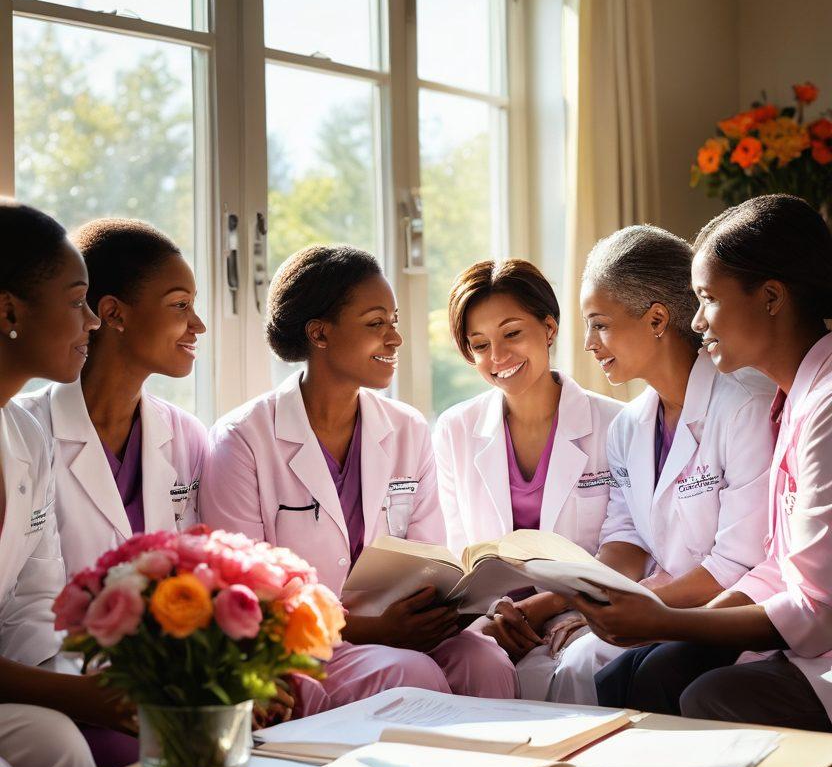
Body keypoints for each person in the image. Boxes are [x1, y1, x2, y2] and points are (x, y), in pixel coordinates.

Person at [201, 244, 518, 712]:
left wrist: (446, 606)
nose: (395, 339)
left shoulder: (406, 428)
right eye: (376, 324)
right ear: (320, 333)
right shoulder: (243, 439)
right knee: (412, 673)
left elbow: (430, 559)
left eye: (393, 321)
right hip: (301, 649)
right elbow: (246, 599)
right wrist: (375, 630)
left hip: (396, 631)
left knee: (487, 662)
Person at [587, 196, 832, 733]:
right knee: (644, 671)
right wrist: (676, 624)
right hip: (795, 626)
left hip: (819, 646)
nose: (695, 320)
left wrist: (674, 620)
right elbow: (777, 565)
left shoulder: (822, 408)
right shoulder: (795, 399)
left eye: (707, 299)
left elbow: (814, 611)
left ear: (771, 297)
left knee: (704, 693)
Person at [541, 224, 774, 705]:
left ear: (656, 320)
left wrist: (637, 611)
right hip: (663, 607)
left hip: (731, 616)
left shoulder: (745, 405)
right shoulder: (629, 426)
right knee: (578, 661)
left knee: (606, 664)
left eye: (600, 323)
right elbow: (625, 539)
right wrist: (590, 599)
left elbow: (738, 564)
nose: (588, 343)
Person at [433, 258, 621, 697]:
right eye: (479, 345)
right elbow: (459, 556)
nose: (496, 358)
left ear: (549, 328)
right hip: (494, 621)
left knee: (581, 670)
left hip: (583, 610)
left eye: (511, 334)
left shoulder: (618, 425)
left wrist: (552, 604)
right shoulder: (455, 430)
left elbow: (632, 550)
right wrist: (497, 616)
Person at [0, 200, 134, 767]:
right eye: (77, 300)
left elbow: (32, 604)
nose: (93, 322)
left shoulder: (26, 436)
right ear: (8, 310)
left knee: (58, 747)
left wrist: (92, 690)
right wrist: (74, 695)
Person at [21, 219, 208, 576]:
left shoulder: (189, 437)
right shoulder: (25, 431)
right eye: (181, 305)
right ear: (113, 313)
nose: (198, 325)